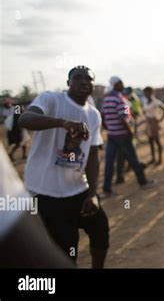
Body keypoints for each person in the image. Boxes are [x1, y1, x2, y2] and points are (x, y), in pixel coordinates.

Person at [18, 66, 110, 266]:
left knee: (100, 230)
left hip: (78, 189)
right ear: (68, 83)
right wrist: (62, 123)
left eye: (89, 79)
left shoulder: (94, 114)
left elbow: (93, 154)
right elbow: (25, 119)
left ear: (93, 85)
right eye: (77, 78)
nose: (84, 82)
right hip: (47, 193)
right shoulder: (51, 99)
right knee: (67, 247)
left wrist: (93, 193)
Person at [101, 76, 155, 195]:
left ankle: (106, 188)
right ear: (116, 84)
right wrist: (129, 131)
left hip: (111, 135)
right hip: (123, 134)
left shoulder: (106, 98)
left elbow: (103, 116)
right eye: (121, 82)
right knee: (133, 158)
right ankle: (143, 182)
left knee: (109, 161)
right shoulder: (120, 99)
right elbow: (124, 118)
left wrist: (109, 128)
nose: (123, 84)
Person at [143, 86, 164, 165]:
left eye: (147, 92)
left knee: (156, 141)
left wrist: (160, 120)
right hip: (148, 122)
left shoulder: (156, 102)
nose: (146, 94)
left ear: (151, 92)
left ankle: (160, 159)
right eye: (145, 93)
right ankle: (153, 158)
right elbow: (145, 111)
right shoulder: (146, 101)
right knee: (150, 141)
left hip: (153, 122)